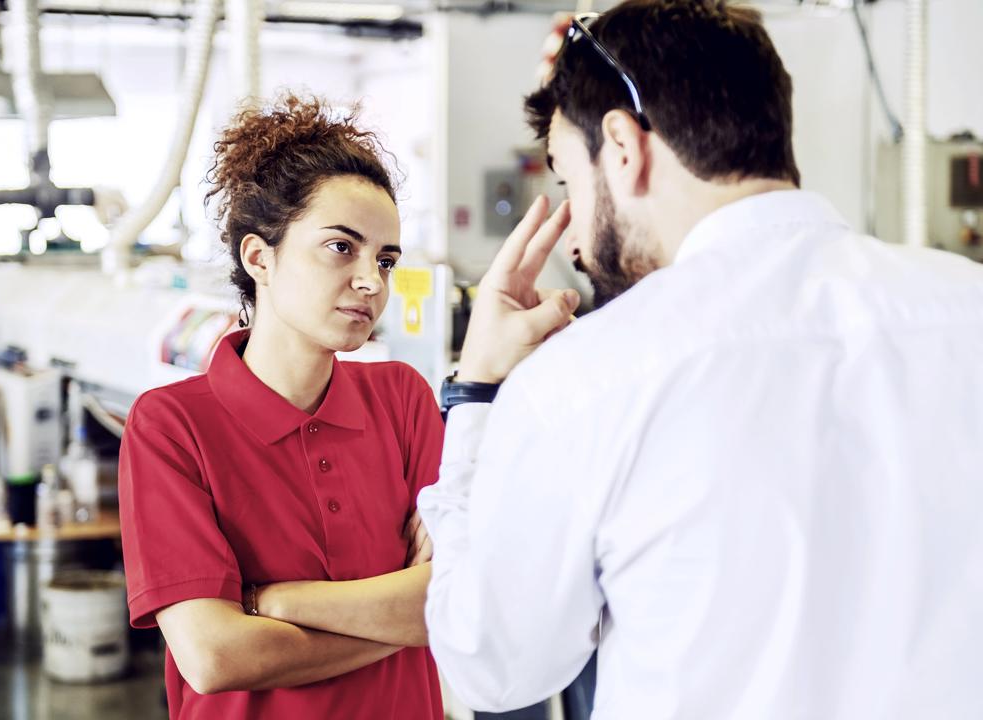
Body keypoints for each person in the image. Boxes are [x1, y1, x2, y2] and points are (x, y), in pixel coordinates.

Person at [417, 1, 983, 718]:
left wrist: (475, 401)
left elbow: (492, 665)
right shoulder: (967, 310)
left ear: (622, 147)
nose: (574, 242)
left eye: (568, 181)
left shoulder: (591, 380)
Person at [118, 95, 507, 719]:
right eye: (340, 248)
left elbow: (461, 603)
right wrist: (398, 618)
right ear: (259, 257)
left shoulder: (402, 399)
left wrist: (275, 602)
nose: (372, 282)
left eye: (385, 259)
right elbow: (216, 657)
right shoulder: (172, 426)